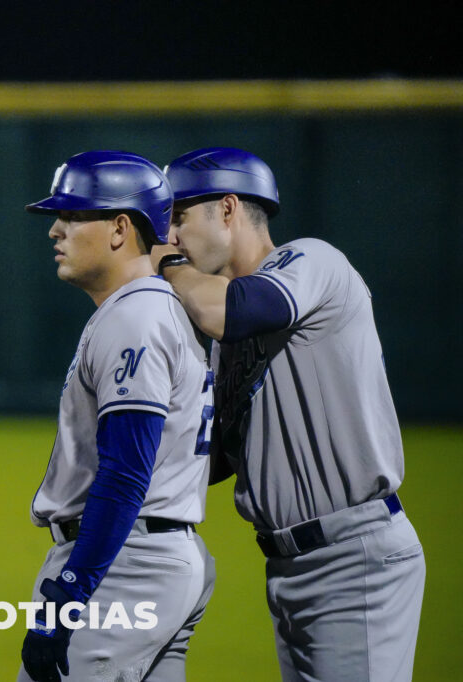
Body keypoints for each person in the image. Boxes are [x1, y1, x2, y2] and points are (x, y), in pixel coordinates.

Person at [153, 146, 425, 682]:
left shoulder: (311, 260)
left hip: (353, 555)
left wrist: (166, 265)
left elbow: (232, 308)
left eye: (179, 217)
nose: (172, 236)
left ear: (228, 209)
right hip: (289, 565)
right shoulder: (226, 343)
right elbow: (217, 457)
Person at [19, 151, 216, 682]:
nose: (56, 230)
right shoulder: (156, 309)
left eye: (73, 215)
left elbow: (125, 473)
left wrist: (71, 592)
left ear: (120, 228)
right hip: (155, 552)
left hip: (126, 566)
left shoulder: (137, 317)